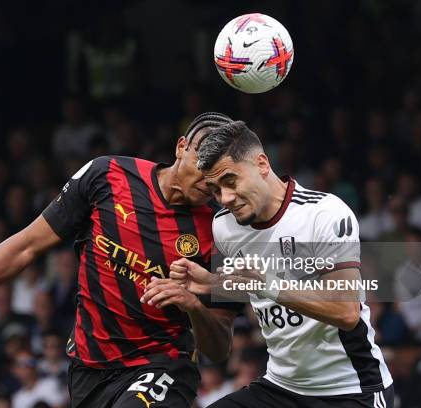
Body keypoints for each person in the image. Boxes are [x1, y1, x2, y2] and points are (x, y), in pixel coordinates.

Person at [0, 112, 240, 407]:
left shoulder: (225, 231)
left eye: (220, 170)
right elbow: (26, 245)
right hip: (88, 366)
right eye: (203, 159)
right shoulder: (107, 175)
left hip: (163, 364)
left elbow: (220, 347)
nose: (208, 175)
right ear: (181, 146)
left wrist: (194, 306)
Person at [142, 121, 394, 407]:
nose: (225, 198)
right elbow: (219, 348)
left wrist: (265, 283)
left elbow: (346, 311)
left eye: (230, 181)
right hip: (281, 389)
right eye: (214, 189)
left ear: (261, 164)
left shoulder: (323, 213)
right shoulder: (225, 227)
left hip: (351, 389)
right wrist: (197, 301)